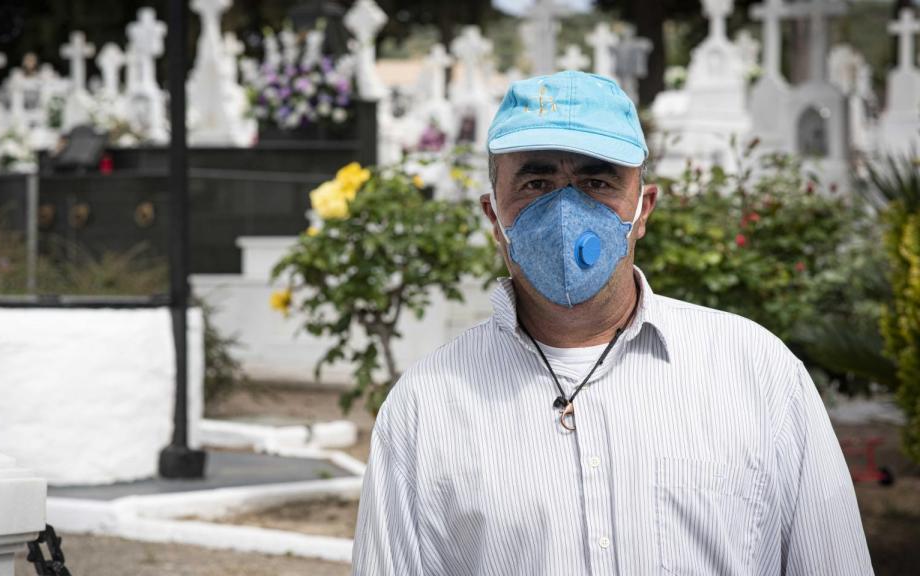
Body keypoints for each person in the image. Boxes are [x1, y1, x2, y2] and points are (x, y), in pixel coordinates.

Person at [351, 70, 873, 575]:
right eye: (536, 182)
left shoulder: (757, 374)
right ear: (494, 217)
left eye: (597, 180)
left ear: (642, 209)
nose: (566, 209)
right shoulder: (427, 408)